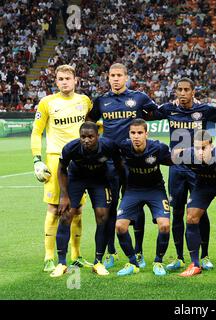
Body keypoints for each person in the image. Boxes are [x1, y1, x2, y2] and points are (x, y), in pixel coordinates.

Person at [87, 63, 159, 270]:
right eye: (112, 75)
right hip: (109, 163)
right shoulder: (101, 101)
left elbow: (156, 113)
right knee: (109, 208)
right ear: (108, 78)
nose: (116, 79)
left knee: (136, 206)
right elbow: (89, 122)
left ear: (126, 77)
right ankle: (110, 252)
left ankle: (138, 251)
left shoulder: (138, 98)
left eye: (119, 75)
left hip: (133, 163)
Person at [145, 78, 216, 272]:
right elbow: (147, 114)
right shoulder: (169, 109)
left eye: (186, 89)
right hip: (177, 168)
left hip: (198, 169)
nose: (182, 92)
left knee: (199, 212)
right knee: (177, 212)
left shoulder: (204, 110)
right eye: (179, 89)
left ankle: (204, 256)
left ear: (193, 91)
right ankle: (179, 257)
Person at [31, 64, 92, 272]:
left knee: (78, 209)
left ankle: (76, 255)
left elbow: (92, 125)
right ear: (56, 81)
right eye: (60, 79)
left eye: (68, 78)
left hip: (81, 161)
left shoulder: (84, 102)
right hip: (56, 160)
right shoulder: (47, 103)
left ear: (75, 80)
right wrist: (37, 160)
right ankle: (49, 257)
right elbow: (36, 132)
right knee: (55, 208)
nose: (64, 82)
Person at [50, 121, 124, 277]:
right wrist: (64, 195)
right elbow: (61, 169)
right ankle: (62, 263)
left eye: (90, 137)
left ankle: (98, 262)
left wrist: (120, 185)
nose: (86, 140)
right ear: (79, 136)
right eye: (83, 137)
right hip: (77, 178)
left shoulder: (109, 146)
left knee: (102, 215)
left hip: (100, 180)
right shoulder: (71, 148)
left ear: (98, 136)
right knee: (66, 214)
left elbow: (119, 164)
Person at [172, 130, 216, 277]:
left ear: (211, 146)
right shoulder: (188, 155)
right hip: (203, 186)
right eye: (197, 148)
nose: (200, 152)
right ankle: (195, 264)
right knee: (191, 217)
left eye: (203, 148)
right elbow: (170, 156)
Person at [115, 119, 172, 277]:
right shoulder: (124, 147)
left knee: (165, 225)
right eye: (133, 133)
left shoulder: (158, 147)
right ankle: (133, 262)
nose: (136, 136)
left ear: (146, 133)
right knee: (120, 226)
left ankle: (158, 261)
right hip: (133, 190)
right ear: (129, 134)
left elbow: (172, 160)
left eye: (140, 133)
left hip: (155, 190)